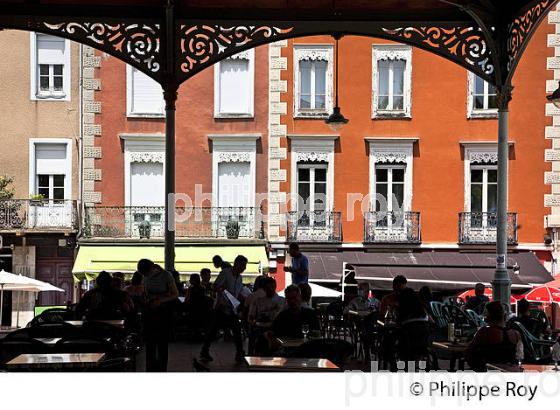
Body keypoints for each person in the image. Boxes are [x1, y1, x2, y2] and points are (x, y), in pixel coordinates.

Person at [200, 255, 248, 363]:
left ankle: (239, 353)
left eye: (245, 266)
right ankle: (204, 351)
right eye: (243, 266)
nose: (244, 268)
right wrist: (222, 291)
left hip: (232, 309)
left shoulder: (240, 278)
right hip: (220, 308)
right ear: (237, 264)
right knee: (213, 332)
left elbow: (238, 293)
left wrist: (244, 300)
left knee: (236, 331)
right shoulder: (225, 273)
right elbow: (215, 286)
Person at [140, 259, 179, 372]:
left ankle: (162, 369)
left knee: (162, 344)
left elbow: (175, 294)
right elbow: (146, 292)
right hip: (150, 312)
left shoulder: (166, 275)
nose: (145, 276)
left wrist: (160, 301)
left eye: (146, 273)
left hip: (163, 313)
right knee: (150, 343)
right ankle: (150, 369)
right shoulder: (146, 276)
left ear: (151, 269)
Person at [465, 301, 522, 372]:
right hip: (513, 373)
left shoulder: (485, 332)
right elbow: (520, 356)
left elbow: (469, 353)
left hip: (492, 373)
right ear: (504, 316)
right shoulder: (516, 334)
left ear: (488, 316)